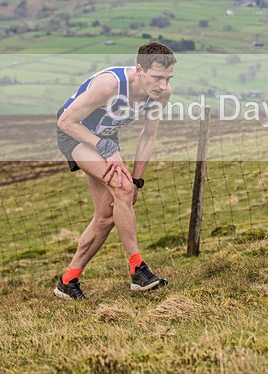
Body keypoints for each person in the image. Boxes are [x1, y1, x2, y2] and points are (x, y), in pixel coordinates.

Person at [53, 42, 176, 300]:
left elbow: (148, 136)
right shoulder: (109, 84)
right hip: (75, 135)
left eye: (167, 78)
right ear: (139, 69)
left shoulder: (161, 94)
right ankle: (138, 273)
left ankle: (68, 281)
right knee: (122, 188)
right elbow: (65, 121)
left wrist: (138, 179)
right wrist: (105, 147)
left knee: (107, 216)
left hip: (106, 138)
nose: (162, 86)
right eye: (157, 78)